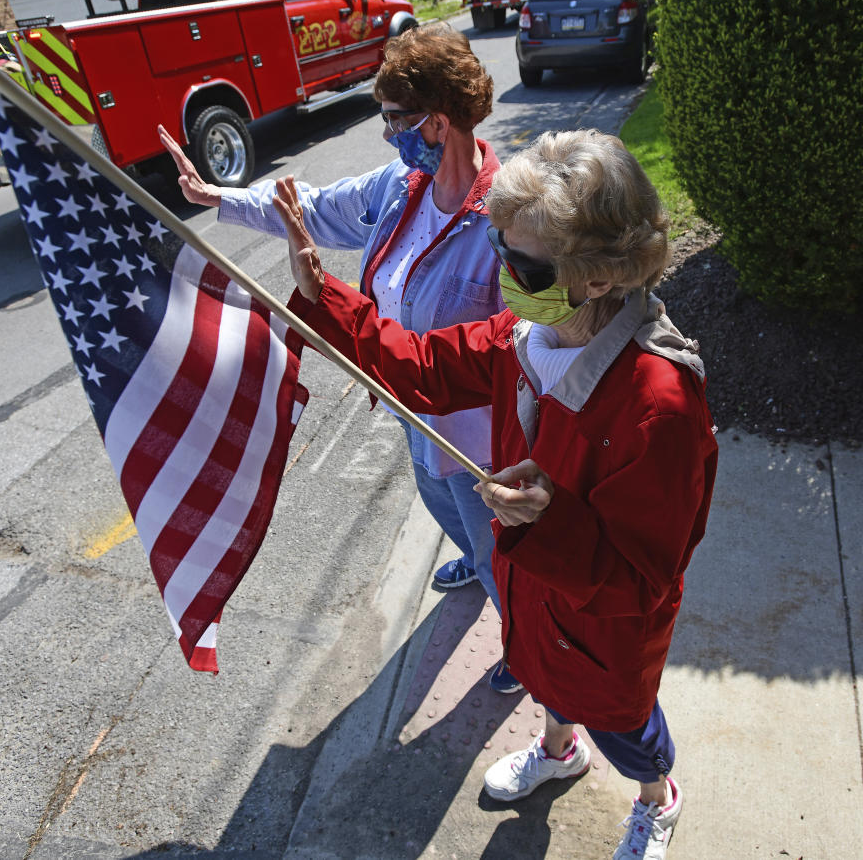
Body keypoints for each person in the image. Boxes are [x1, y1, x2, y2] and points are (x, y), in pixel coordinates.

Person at [271, 128, 719, 860]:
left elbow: (641, 579)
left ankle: (656, 796)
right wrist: (324, 294)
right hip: (533, 597)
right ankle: (558, 749)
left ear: (597, 277)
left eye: (520, 264)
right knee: (545, 674)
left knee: (624, 727)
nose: (501, 273)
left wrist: (551, 520)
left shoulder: (657, 404)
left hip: (605, 636)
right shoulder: (527, 333)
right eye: (498, 248)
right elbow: (422, 365)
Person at [159, 23, 522, 693]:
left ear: (439, 122)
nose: (387, 135)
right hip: (415, 415)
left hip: (481, 441)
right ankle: (473, 560)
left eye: (394, 120)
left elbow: (514, 349)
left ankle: (523, 652)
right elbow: (318, 208)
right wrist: (221, 200)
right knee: (441, 507)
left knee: (503, 552)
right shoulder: (401, 184)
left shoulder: (506, 219)